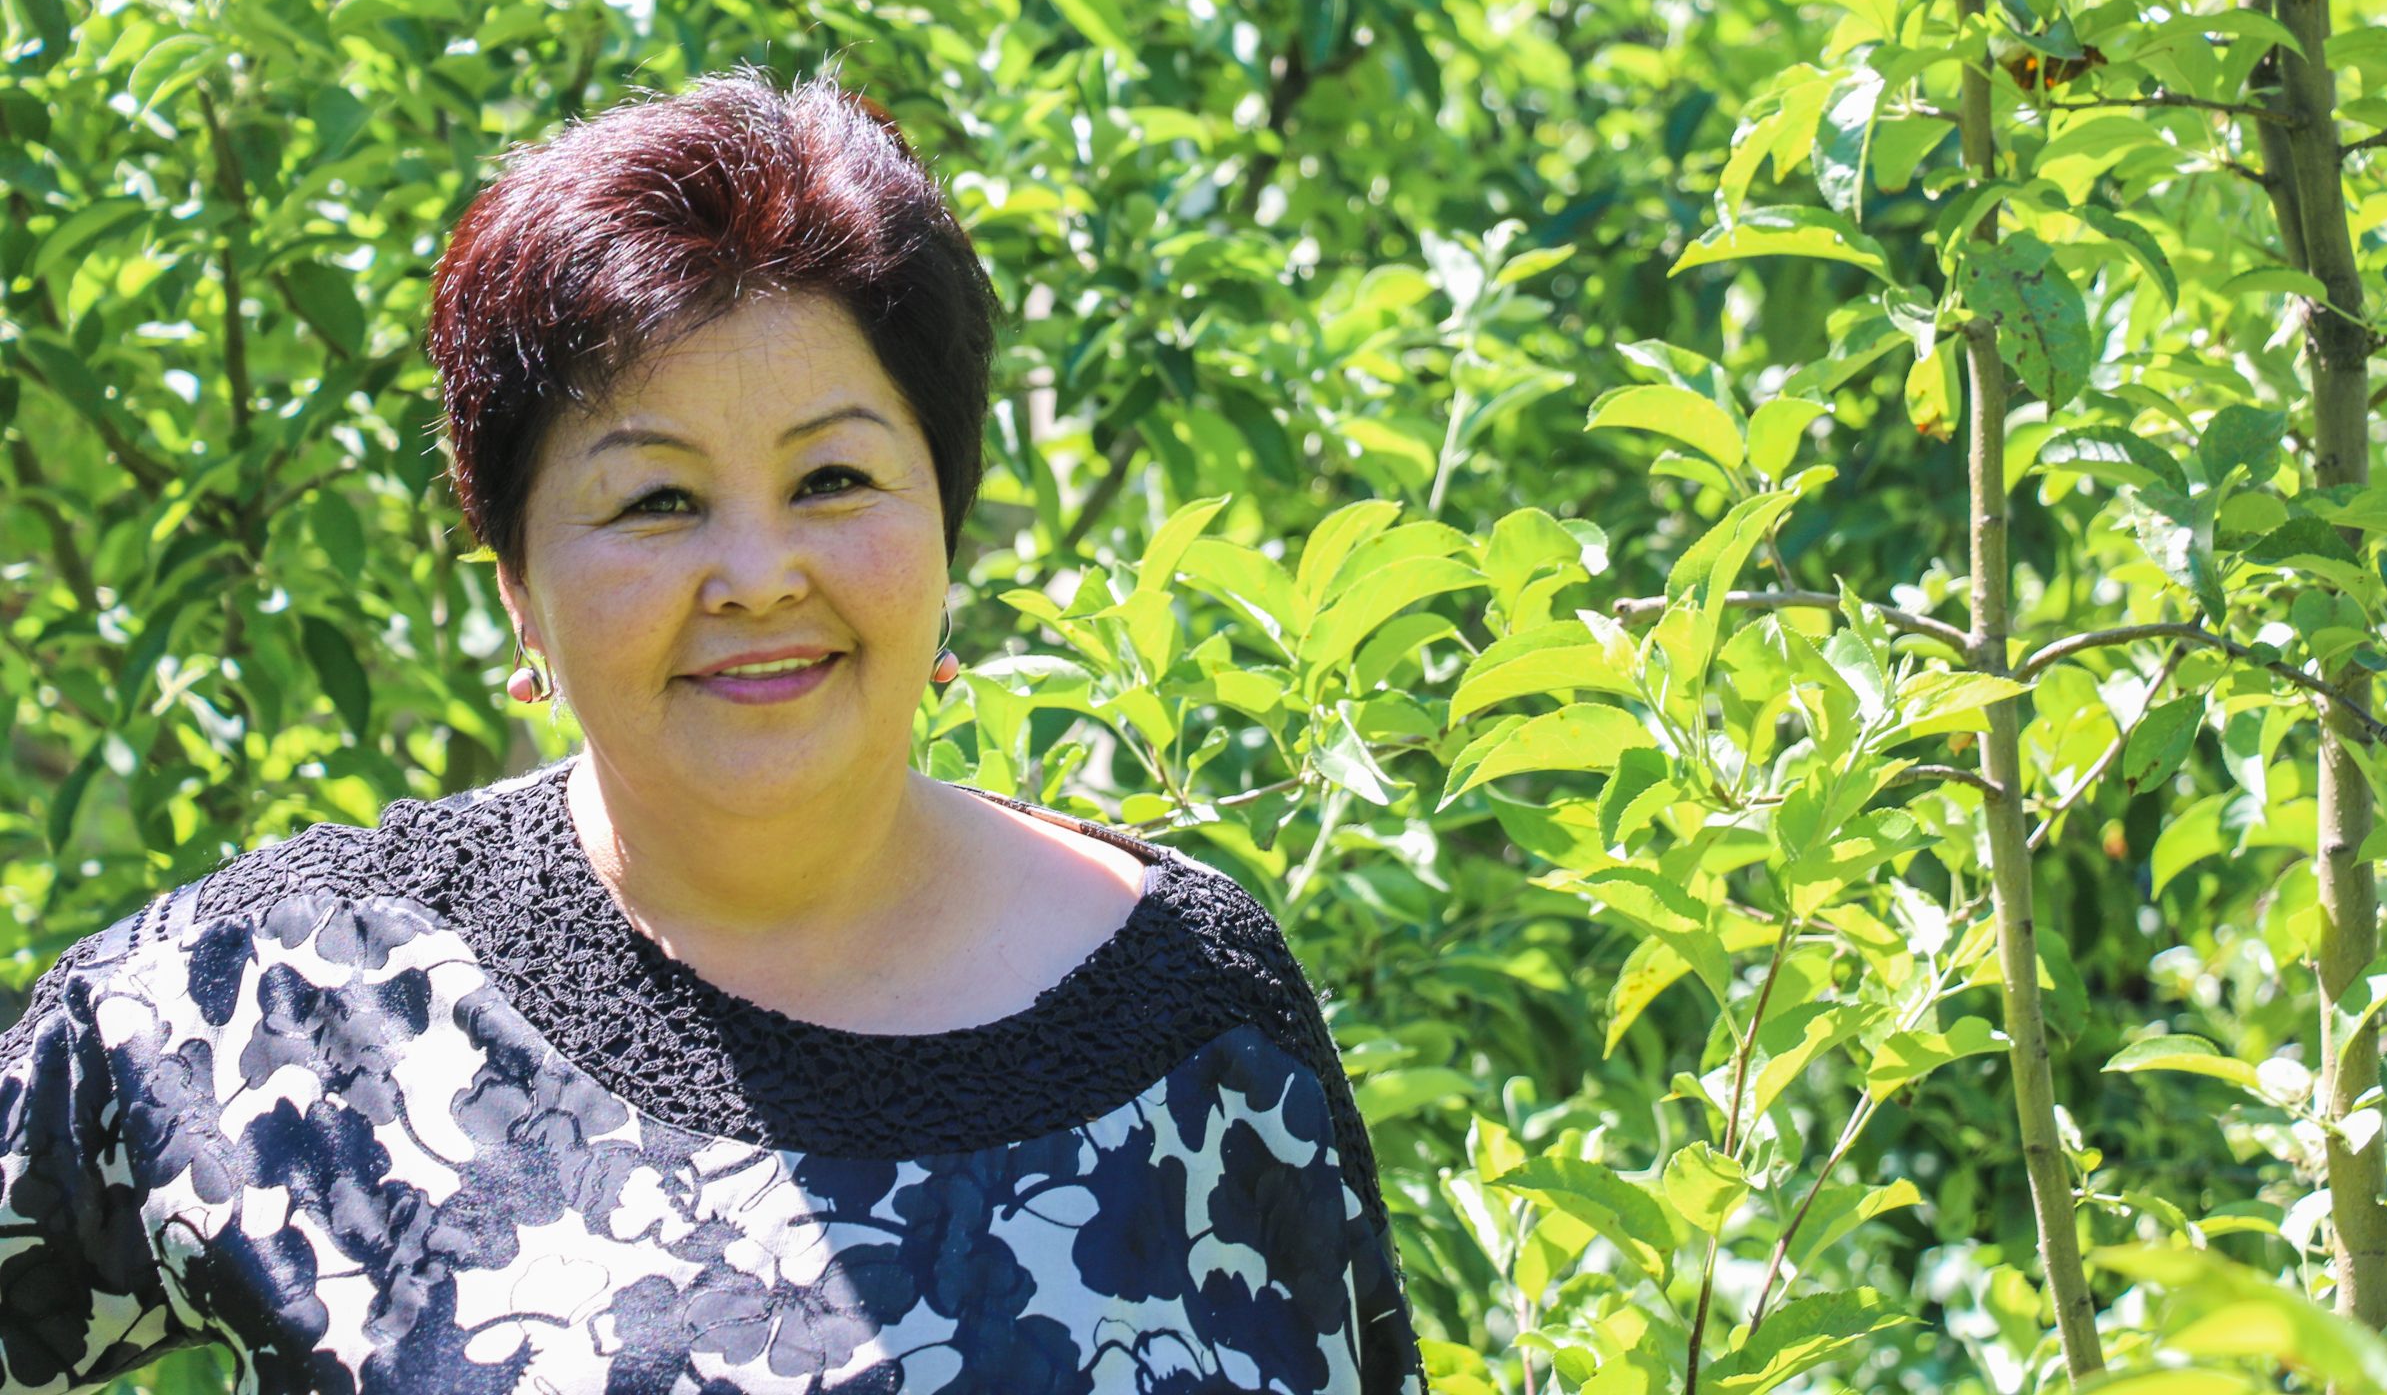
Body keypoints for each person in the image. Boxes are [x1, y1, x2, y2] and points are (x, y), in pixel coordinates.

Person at [0, 68, 1424, 1392]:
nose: (756, 573)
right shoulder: (284, 1006)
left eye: (834, 477)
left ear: (947, 524)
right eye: (657, 500)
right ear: (519, 589)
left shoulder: (1194, 1019)